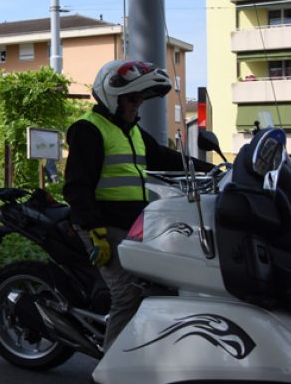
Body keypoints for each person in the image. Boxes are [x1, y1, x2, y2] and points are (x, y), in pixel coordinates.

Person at [63, 60, 211, 350]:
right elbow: (76, 187)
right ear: (112, 96)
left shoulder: (132, 132)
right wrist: (95, 229)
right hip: (103, 226)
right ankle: (111, 371)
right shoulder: (89, 130)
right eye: (132, 99)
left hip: (133, 226)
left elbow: (168, 159)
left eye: (140, 99)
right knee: (128, 294)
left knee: (167, 282)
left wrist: (215, 169)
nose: (137, 105)